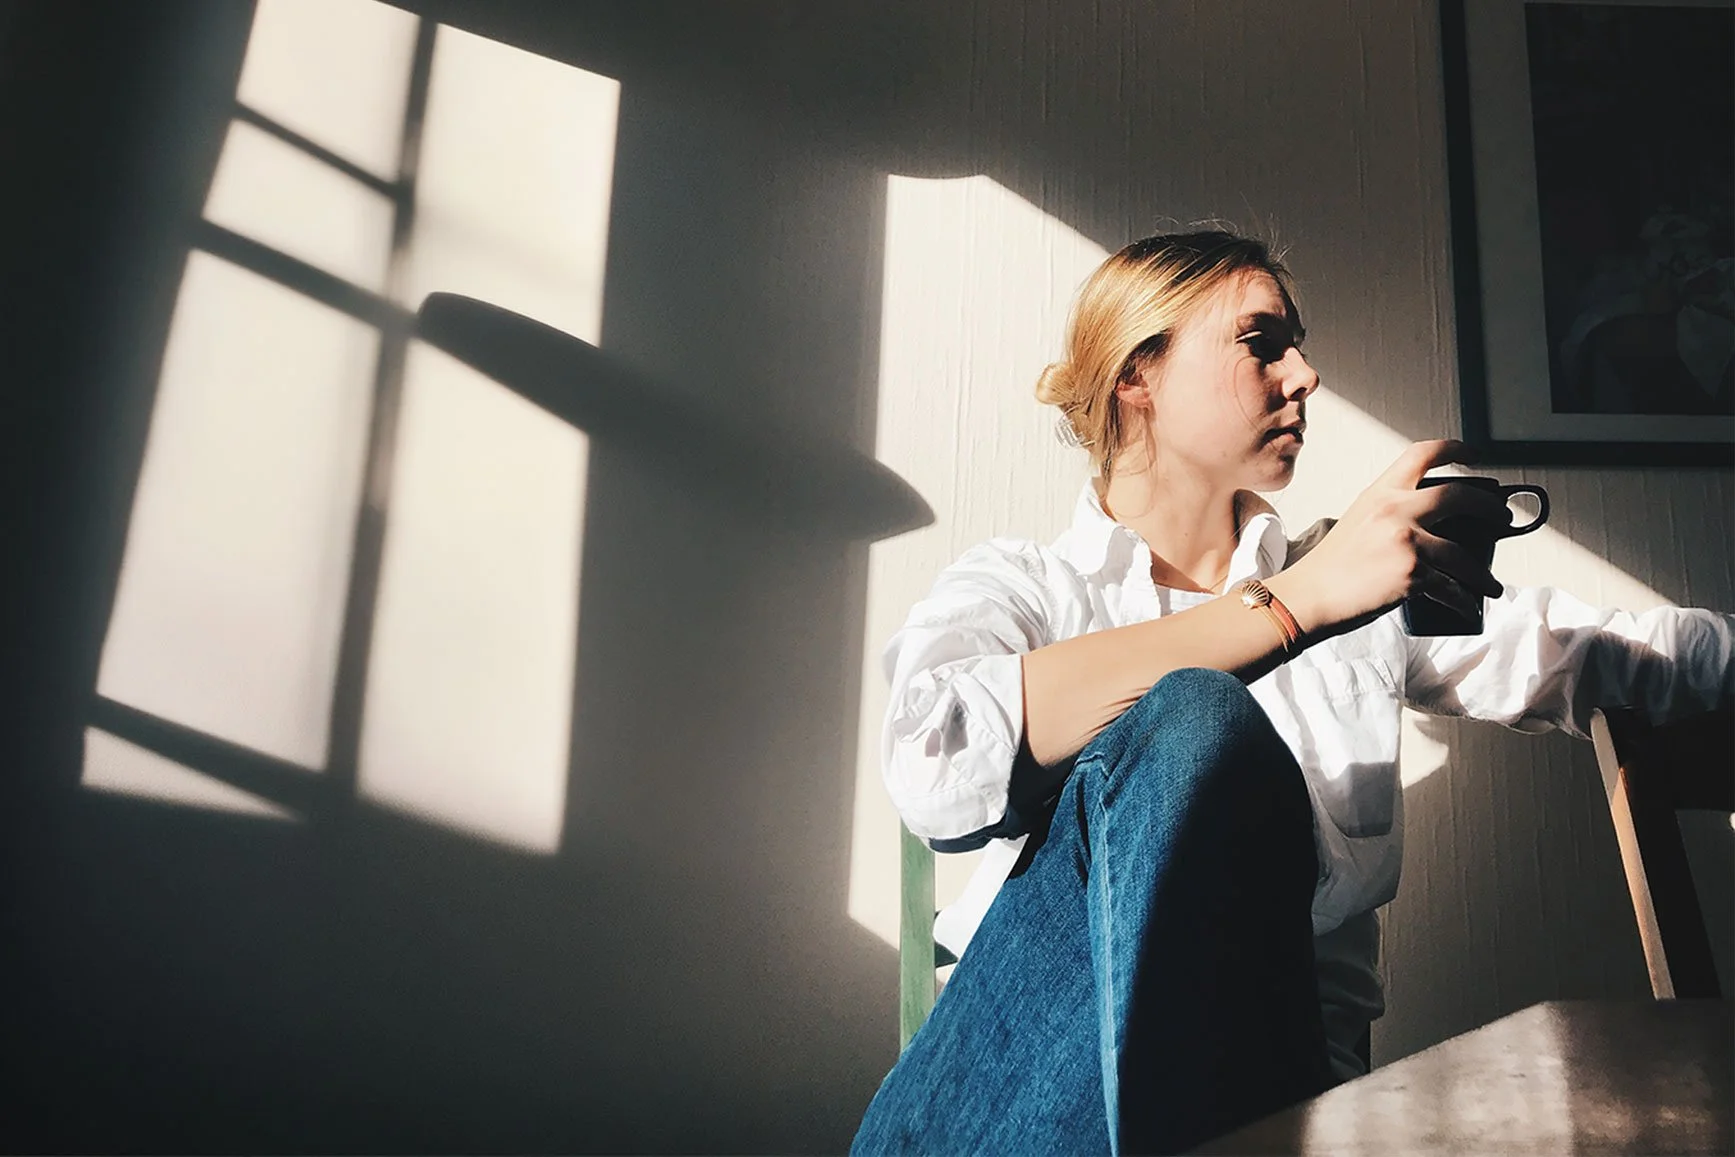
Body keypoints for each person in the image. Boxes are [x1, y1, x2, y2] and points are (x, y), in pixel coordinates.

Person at [849, 230, 1735, 1156]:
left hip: (1279, 1106)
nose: (1304, 375)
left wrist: (1331, 589)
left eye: (1298, 346)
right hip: (1007, 1102)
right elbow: (930, 761)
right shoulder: (1024, 588)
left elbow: (1609, 656)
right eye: (1262, 342)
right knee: (1193, 717)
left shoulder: (1357, 586)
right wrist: (1296, 604)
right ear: (1135, 374)